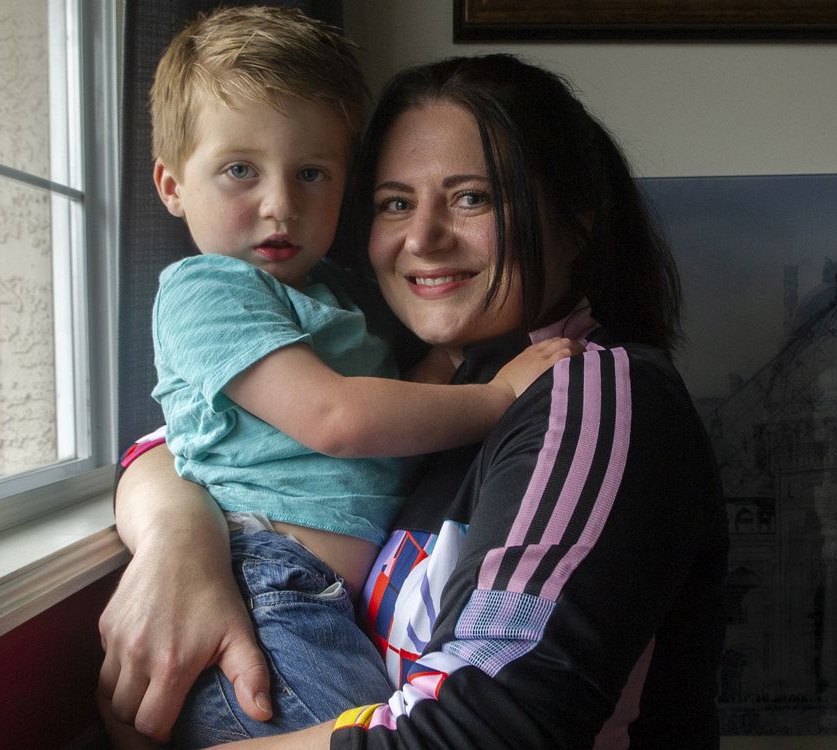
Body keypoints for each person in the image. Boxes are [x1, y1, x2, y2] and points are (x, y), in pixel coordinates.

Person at [100, 53, 728, 749]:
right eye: (396, 203)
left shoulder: (589, 398)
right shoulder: (406, 380)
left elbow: (488, 730)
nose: (423, 238)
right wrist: (181, 545)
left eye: (472, 198)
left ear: (574, 224)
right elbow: (185, 438)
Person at [139, 8, 576, 746]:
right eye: (240, 170)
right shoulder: (206, 288)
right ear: (173, 185)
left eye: (312, 173)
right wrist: (495, 396)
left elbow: (381, 407)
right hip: (273, 592)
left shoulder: (331, 292)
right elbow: (336, 419)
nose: (281, 204)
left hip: (318, 599)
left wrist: (439, 369)